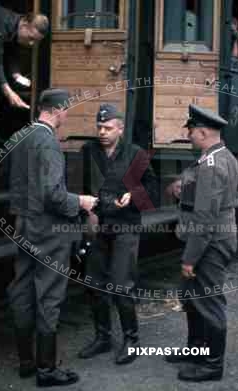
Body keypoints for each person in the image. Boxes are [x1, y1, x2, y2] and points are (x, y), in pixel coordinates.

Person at [7, 88, 98, 387]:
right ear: (58, 110)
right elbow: (54, 195)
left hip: (23, 225)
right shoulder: (47, 142)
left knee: (22, 290)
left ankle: (25, 362)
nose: (66, 117)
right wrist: (81, 202)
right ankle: (47, 371)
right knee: (49, 296)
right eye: (67, 111)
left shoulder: (23, 137)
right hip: (48, 230)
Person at [78, 104, 158, 365]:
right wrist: (83, 214)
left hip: (125, 227)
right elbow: (77, 188)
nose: (102, 132)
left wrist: (132, 196)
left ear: (120, 129)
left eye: (108, 128)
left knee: (122, 286)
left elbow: (152, 192)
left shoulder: (135, 155)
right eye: (99, 127)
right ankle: (103, 338)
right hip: (97, 227)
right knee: (94, 284)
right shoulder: (88, 152)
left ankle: (131, 339)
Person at [165, 105, 238, 382]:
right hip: (209, 241)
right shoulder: (219, 156)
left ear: (204, 131)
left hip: (210, 244)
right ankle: (196, 350)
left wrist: (189, 259)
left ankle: (212, 365)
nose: (189, 134)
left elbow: (205, 219)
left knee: (209, 303)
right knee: (193, 299)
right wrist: (182, 185)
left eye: (191, 130)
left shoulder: (212, 164)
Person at [0, 5, 49, 141]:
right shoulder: (2, 24)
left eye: (35, 41)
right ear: (24, 23)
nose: (31, 44)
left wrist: (16, 75)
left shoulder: (17, 29)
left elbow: (11, 53)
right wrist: (8, 92)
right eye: (30, 38)